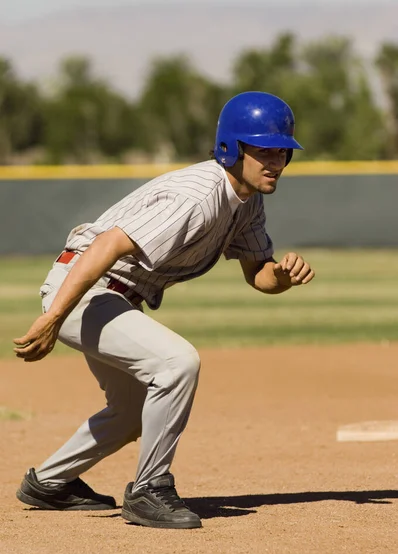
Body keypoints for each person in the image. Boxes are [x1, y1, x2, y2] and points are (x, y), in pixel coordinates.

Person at [13, 91, 315, 529]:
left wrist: (281, 277)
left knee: (134, 412)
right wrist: (54, 315)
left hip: (111, 298)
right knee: (176, 363)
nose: (275, 161)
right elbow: (106, 244)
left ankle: (49, 482)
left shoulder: (246, 201)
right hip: (85, 289)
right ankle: (150, 489)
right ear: (232, 148)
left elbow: (259, 273)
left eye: (283, 151)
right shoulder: (197, 196)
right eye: (263, 149)